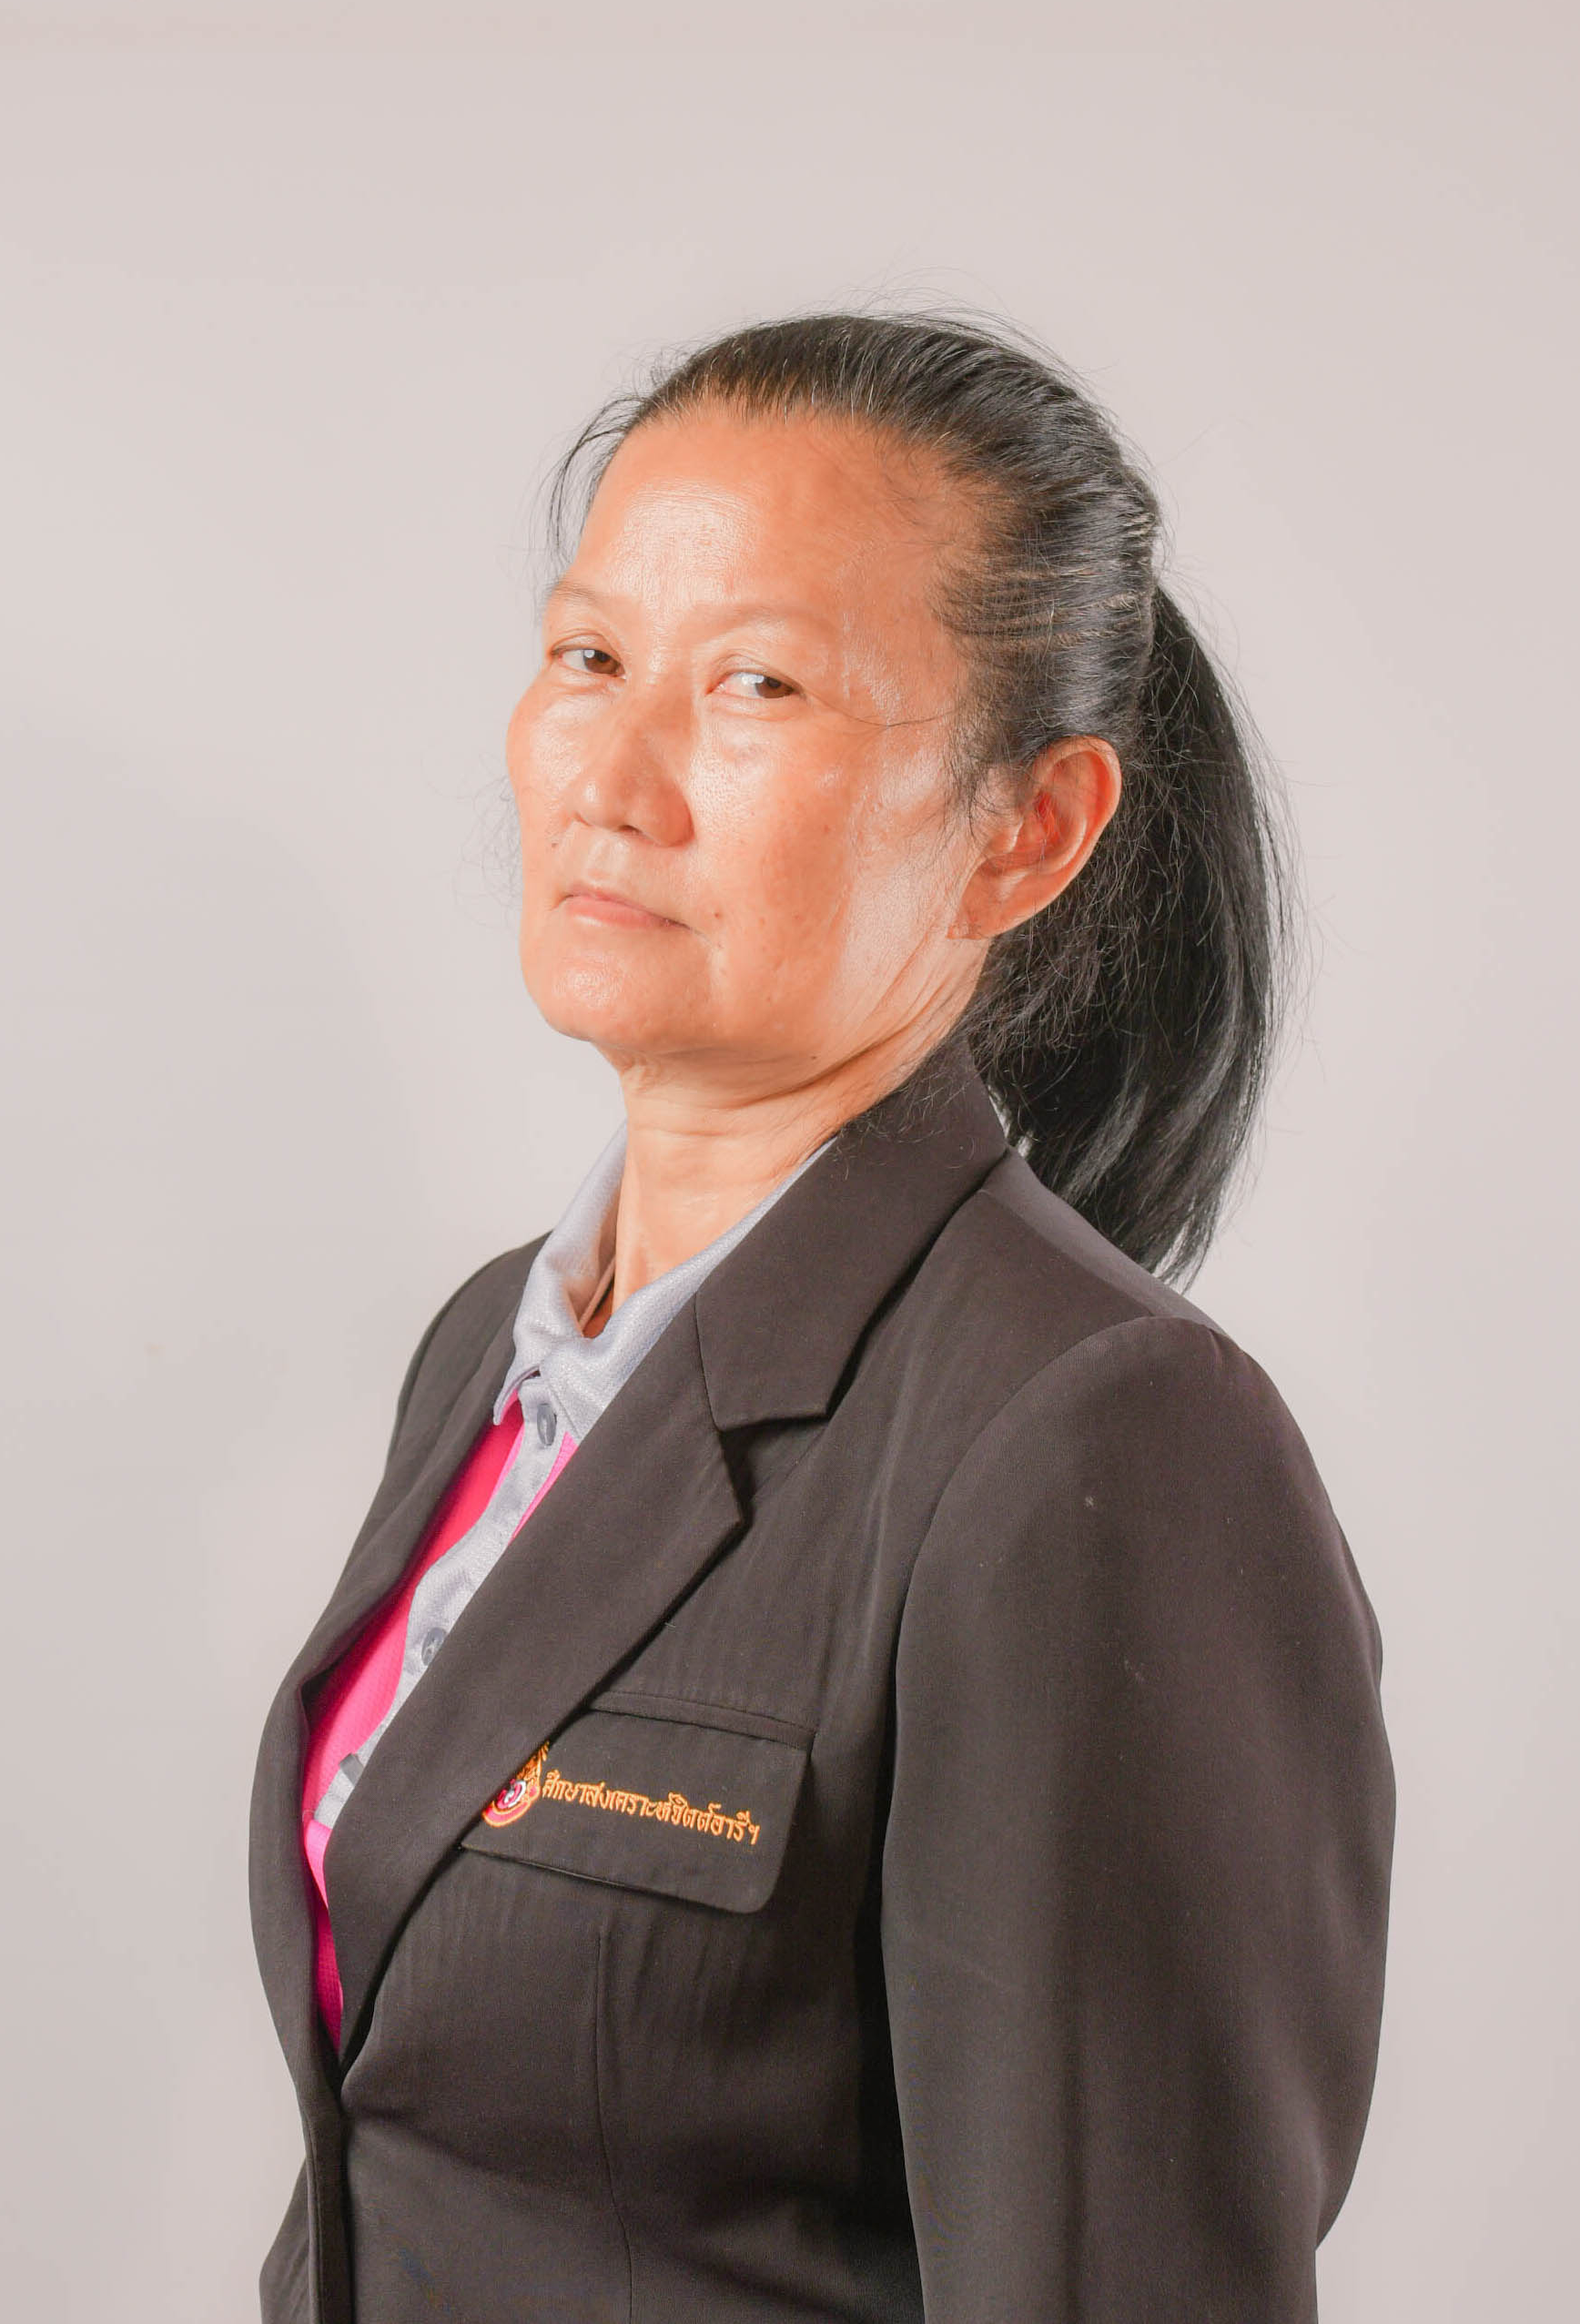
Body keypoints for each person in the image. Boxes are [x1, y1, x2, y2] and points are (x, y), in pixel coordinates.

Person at [249, 312, 1395, 2323]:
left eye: (754, 686)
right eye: (588, 657)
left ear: (1025, 829)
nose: (613, 779)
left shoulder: (1094, 1435)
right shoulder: (494, 1350)